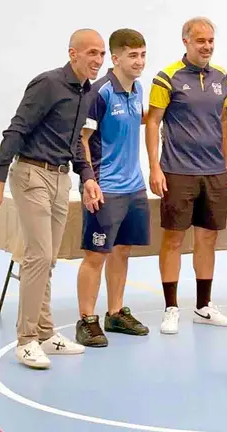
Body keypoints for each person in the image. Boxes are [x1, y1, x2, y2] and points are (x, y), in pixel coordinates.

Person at [0, 29, 106, 369]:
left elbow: (76, 145)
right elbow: (17, 129)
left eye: (102, 54)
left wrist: (89, 178)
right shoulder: (48, 84)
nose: (98, 60)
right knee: (38, 255)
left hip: (59, 177)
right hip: (30, 174)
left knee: (48, 258)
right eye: (92, 53)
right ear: (73, 54)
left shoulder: (86, 92)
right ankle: (26, 340)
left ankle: (46, 333)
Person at [146, 17, 227, 334]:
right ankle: (171, 308)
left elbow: (223, 120)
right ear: (186, 41)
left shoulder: (222, 77)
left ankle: (203, 307)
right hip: (177, 171)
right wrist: (155, 167)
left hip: (213, 173)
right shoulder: (166, 77)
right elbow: (154, 122)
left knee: (207, 238)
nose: (207, 46)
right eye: (200, 41)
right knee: (173, 239)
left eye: (211, 40)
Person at [74, 29, 150, 347]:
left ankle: (115, 312)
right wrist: (89, 180)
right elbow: (82, 139)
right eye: (133, 55)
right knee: (96, 255)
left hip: (134, 187)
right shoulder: (100, 92)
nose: (140, 61)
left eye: (143, 54)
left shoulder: (138, 89)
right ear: (115, 58)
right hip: (105, 187)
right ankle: (86, 319)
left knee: (122, 251)